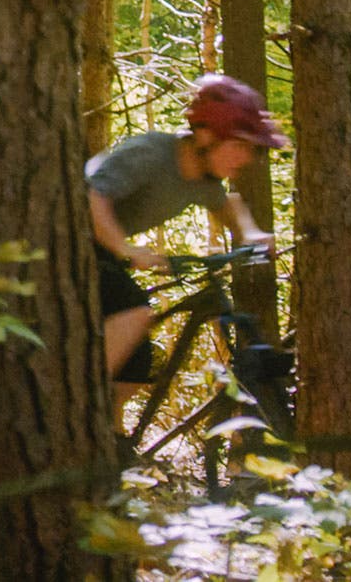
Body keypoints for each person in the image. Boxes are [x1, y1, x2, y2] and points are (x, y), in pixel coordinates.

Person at [89, 73, 283, 398]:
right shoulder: (151, 153)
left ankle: (109, 437)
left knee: (136, 365)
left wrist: (251, 234)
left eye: (250, 149)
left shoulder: (202, 179)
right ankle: (78, 405)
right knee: (134, 310)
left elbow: (225, 204)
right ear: (206, 136)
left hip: (103, 253)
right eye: (238, 145)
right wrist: (125, 248)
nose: (246, 158)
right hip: (69, 245)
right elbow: (92, 197)